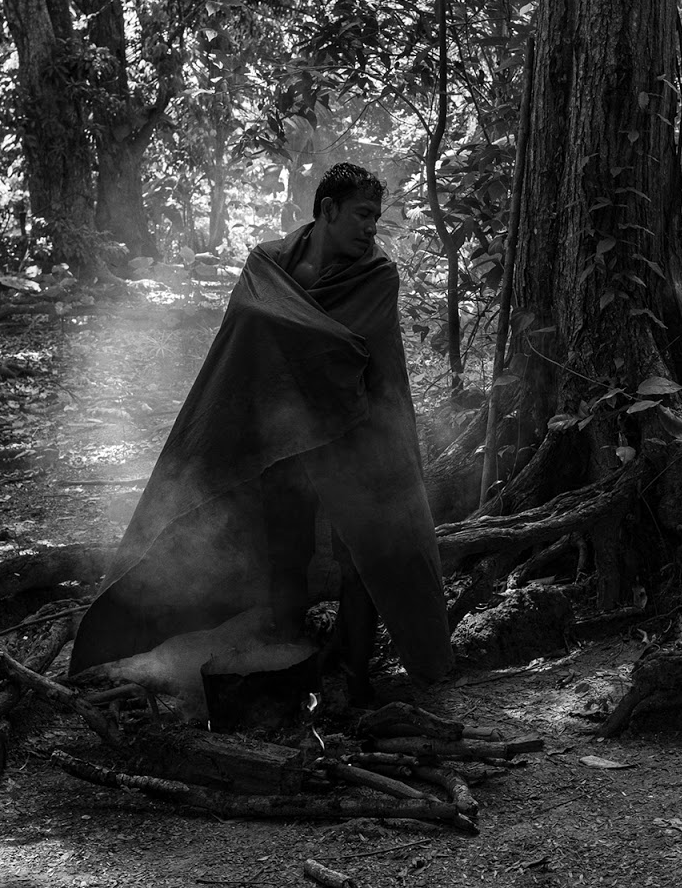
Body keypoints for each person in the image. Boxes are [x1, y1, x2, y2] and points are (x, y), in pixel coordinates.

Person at [69, 163, 453, 705]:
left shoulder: (376, 277)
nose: (372, 229)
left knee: (365, 550)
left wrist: (298, 342)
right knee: (284, 542)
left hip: (353, 437)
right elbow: (250, 336)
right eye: (363, 216)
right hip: (277, 439)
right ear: (328, 211)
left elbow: (356, 355)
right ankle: (285, 660)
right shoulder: (268, 264)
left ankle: (357, 675)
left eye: (377, 218)